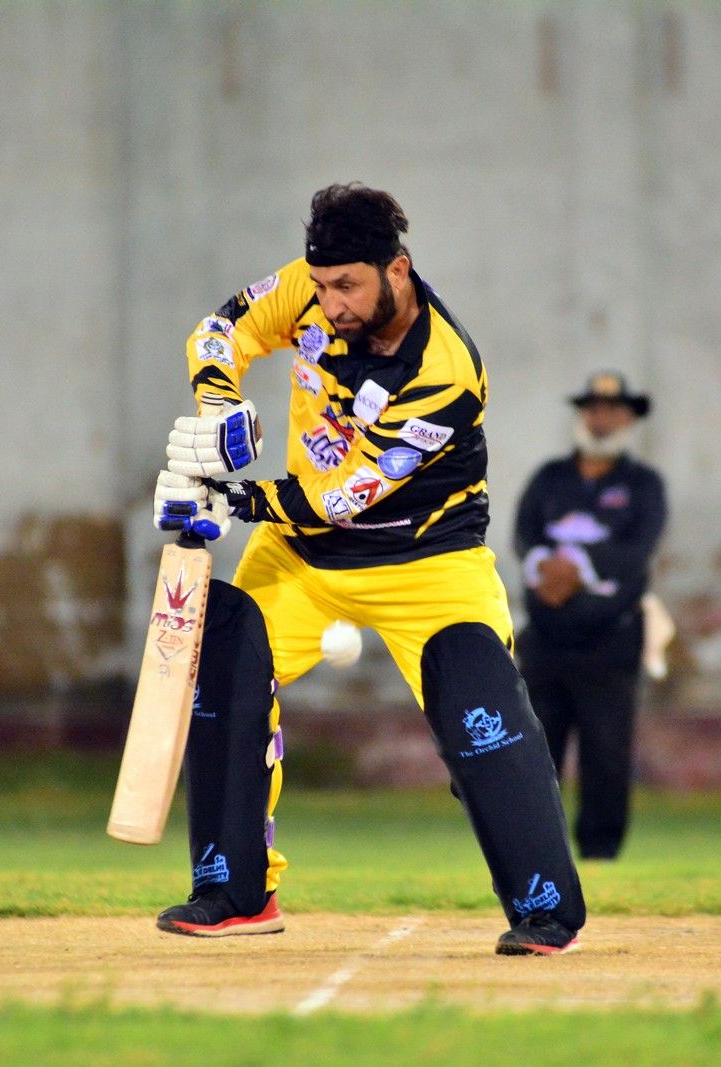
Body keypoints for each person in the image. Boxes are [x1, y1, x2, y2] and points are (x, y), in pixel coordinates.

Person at [149, 183, 585, 955]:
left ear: (398, 270)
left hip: (430, 561)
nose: (331, 303)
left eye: (347, 285)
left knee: (481, 712)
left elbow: (341, 495)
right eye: (321, 286)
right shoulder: (311, 289)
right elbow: (220, 331)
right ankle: (235, 891)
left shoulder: (445, 372)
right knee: (223, 664)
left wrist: (234, 497)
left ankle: (545, 909)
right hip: (302, 557)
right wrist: (219, 411)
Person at [514, 372, 667, 860]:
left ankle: (600, 853)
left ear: (628, 419)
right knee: (536, 747)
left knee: (606, 750)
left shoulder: (643, 485)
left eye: (612, 411)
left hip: (610, 639)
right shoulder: (550, 478)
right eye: (593, 409)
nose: (601, 420)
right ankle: (537, 851)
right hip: (548, 636)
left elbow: (637, 551)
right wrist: (546, 567)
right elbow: (524, 535)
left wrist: (577, 566)